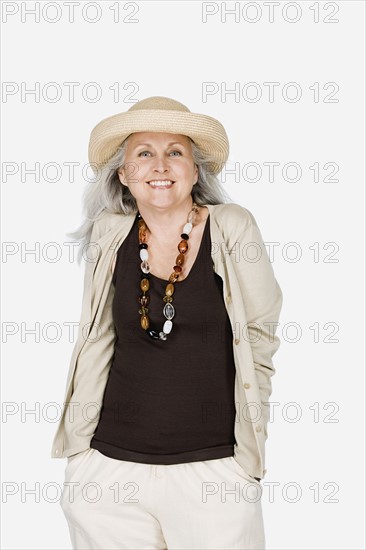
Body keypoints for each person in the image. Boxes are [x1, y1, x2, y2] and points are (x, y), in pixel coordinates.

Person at [52, 96, 283, 549]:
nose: (160, 164)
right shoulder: (109, 233)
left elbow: (259, 335)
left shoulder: (232, 226)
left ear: (195, 171)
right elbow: (98, 336)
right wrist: (81, 456)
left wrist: (247, 456)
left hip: (213, 468)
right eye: (144, 153)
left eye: (175, 151)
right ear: (124, 174)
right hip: (109, 471)